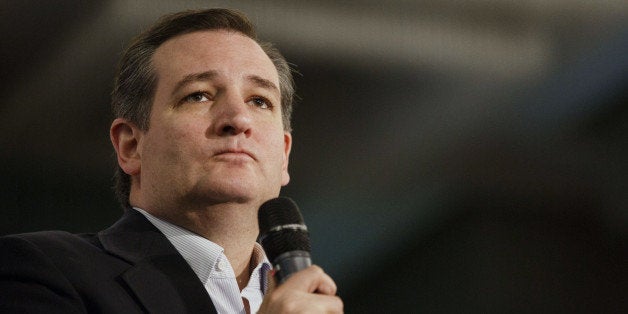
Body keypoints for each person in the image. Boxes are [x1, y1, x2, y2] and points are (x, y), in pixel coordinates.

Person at [0, 8, 343, 313]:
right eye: (198, 95)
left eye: (259, 101)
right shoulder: (41, 271)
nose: (238, 118)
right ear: (131, 146)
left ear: (284, 154)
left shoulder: (315, 301)